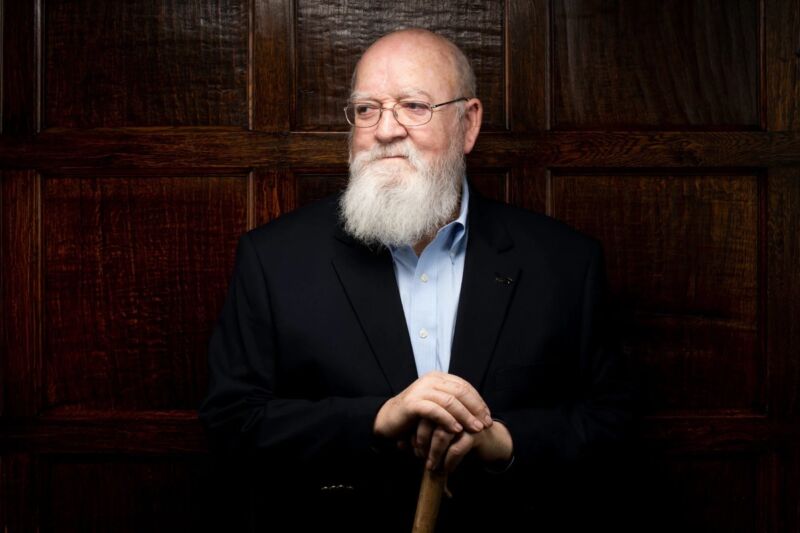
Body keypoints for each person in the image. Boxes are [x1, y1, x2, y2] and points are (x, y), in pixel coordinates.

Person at [199, 28, 632, 532]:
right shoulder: (274, 258)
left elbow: (614, 424)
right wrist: (378, 420)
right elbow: (231, 422)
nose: (385, 130)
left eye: (413, 106)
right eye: (367, 110)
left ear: (468, 124)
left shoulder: (564, 262)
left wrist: (503, 442)